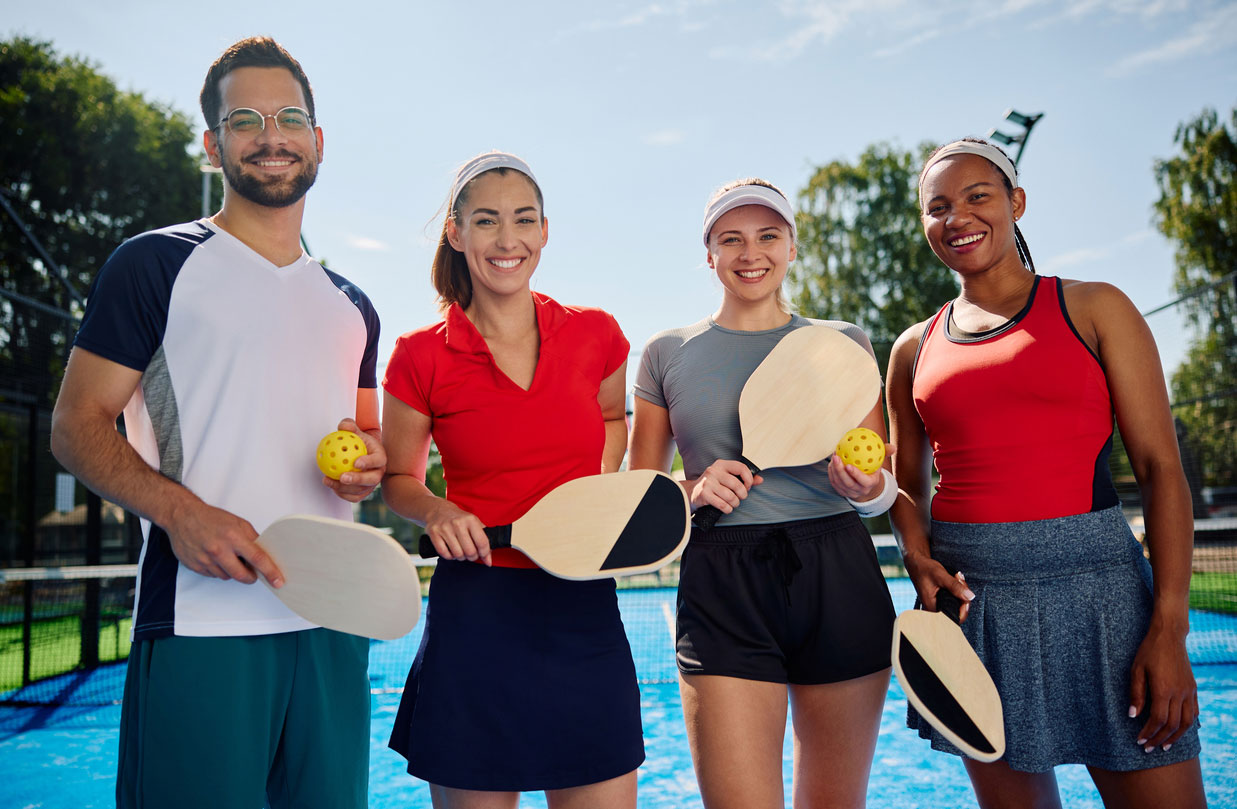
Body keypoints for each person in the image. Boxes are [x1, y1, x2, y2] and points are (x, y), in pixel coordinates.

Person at [49, 37, 385, 809]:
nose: (272, 135)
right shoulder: (153, 265)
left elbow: (362, 453)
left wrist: (363, 468)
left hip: (333, 622)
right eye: (245, 120)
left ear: (318, 139)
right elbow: (75, 425)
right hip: (202, 626)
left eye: (290, 116)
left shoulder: (354, 305)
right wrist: (179, 511)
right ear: (212, 145)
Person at [886, 138, 1207, 808]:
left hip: (1102, 597)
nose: (957, 216)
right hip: (974, 607)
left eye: (977, 196)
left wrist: (1167, 626)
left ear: (1015, 203)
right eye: (937, 206)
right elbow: (906, 482)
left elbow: (1158, 470)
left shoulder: (1095, 307)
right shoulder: (912, 347)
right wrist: (915, 557)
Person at [381, 151, 643, 808]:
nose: (508, 239)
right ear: (456, 231)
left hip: (583, 604)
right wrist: (436, 511)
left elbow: (614, 416)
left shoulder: (596, 334)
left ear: (545, 231)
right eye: (488, 221)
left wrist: (587, 498)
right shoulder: (418, 354)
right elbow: (396, 479)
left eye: (523, 220)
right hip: (476, 616)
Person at [627, 179, 898, 809]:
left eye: (768, 236)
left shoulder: (845, 343)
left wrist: (865, 489)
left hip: (837, 569)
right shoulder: (666, 353)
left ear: (792, 246)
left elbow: (882, 483)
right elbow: (636, 496)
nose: (752, 253)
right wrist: (689, 487)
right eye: (733, 239)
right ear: (710, 254)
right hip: (721, 579)